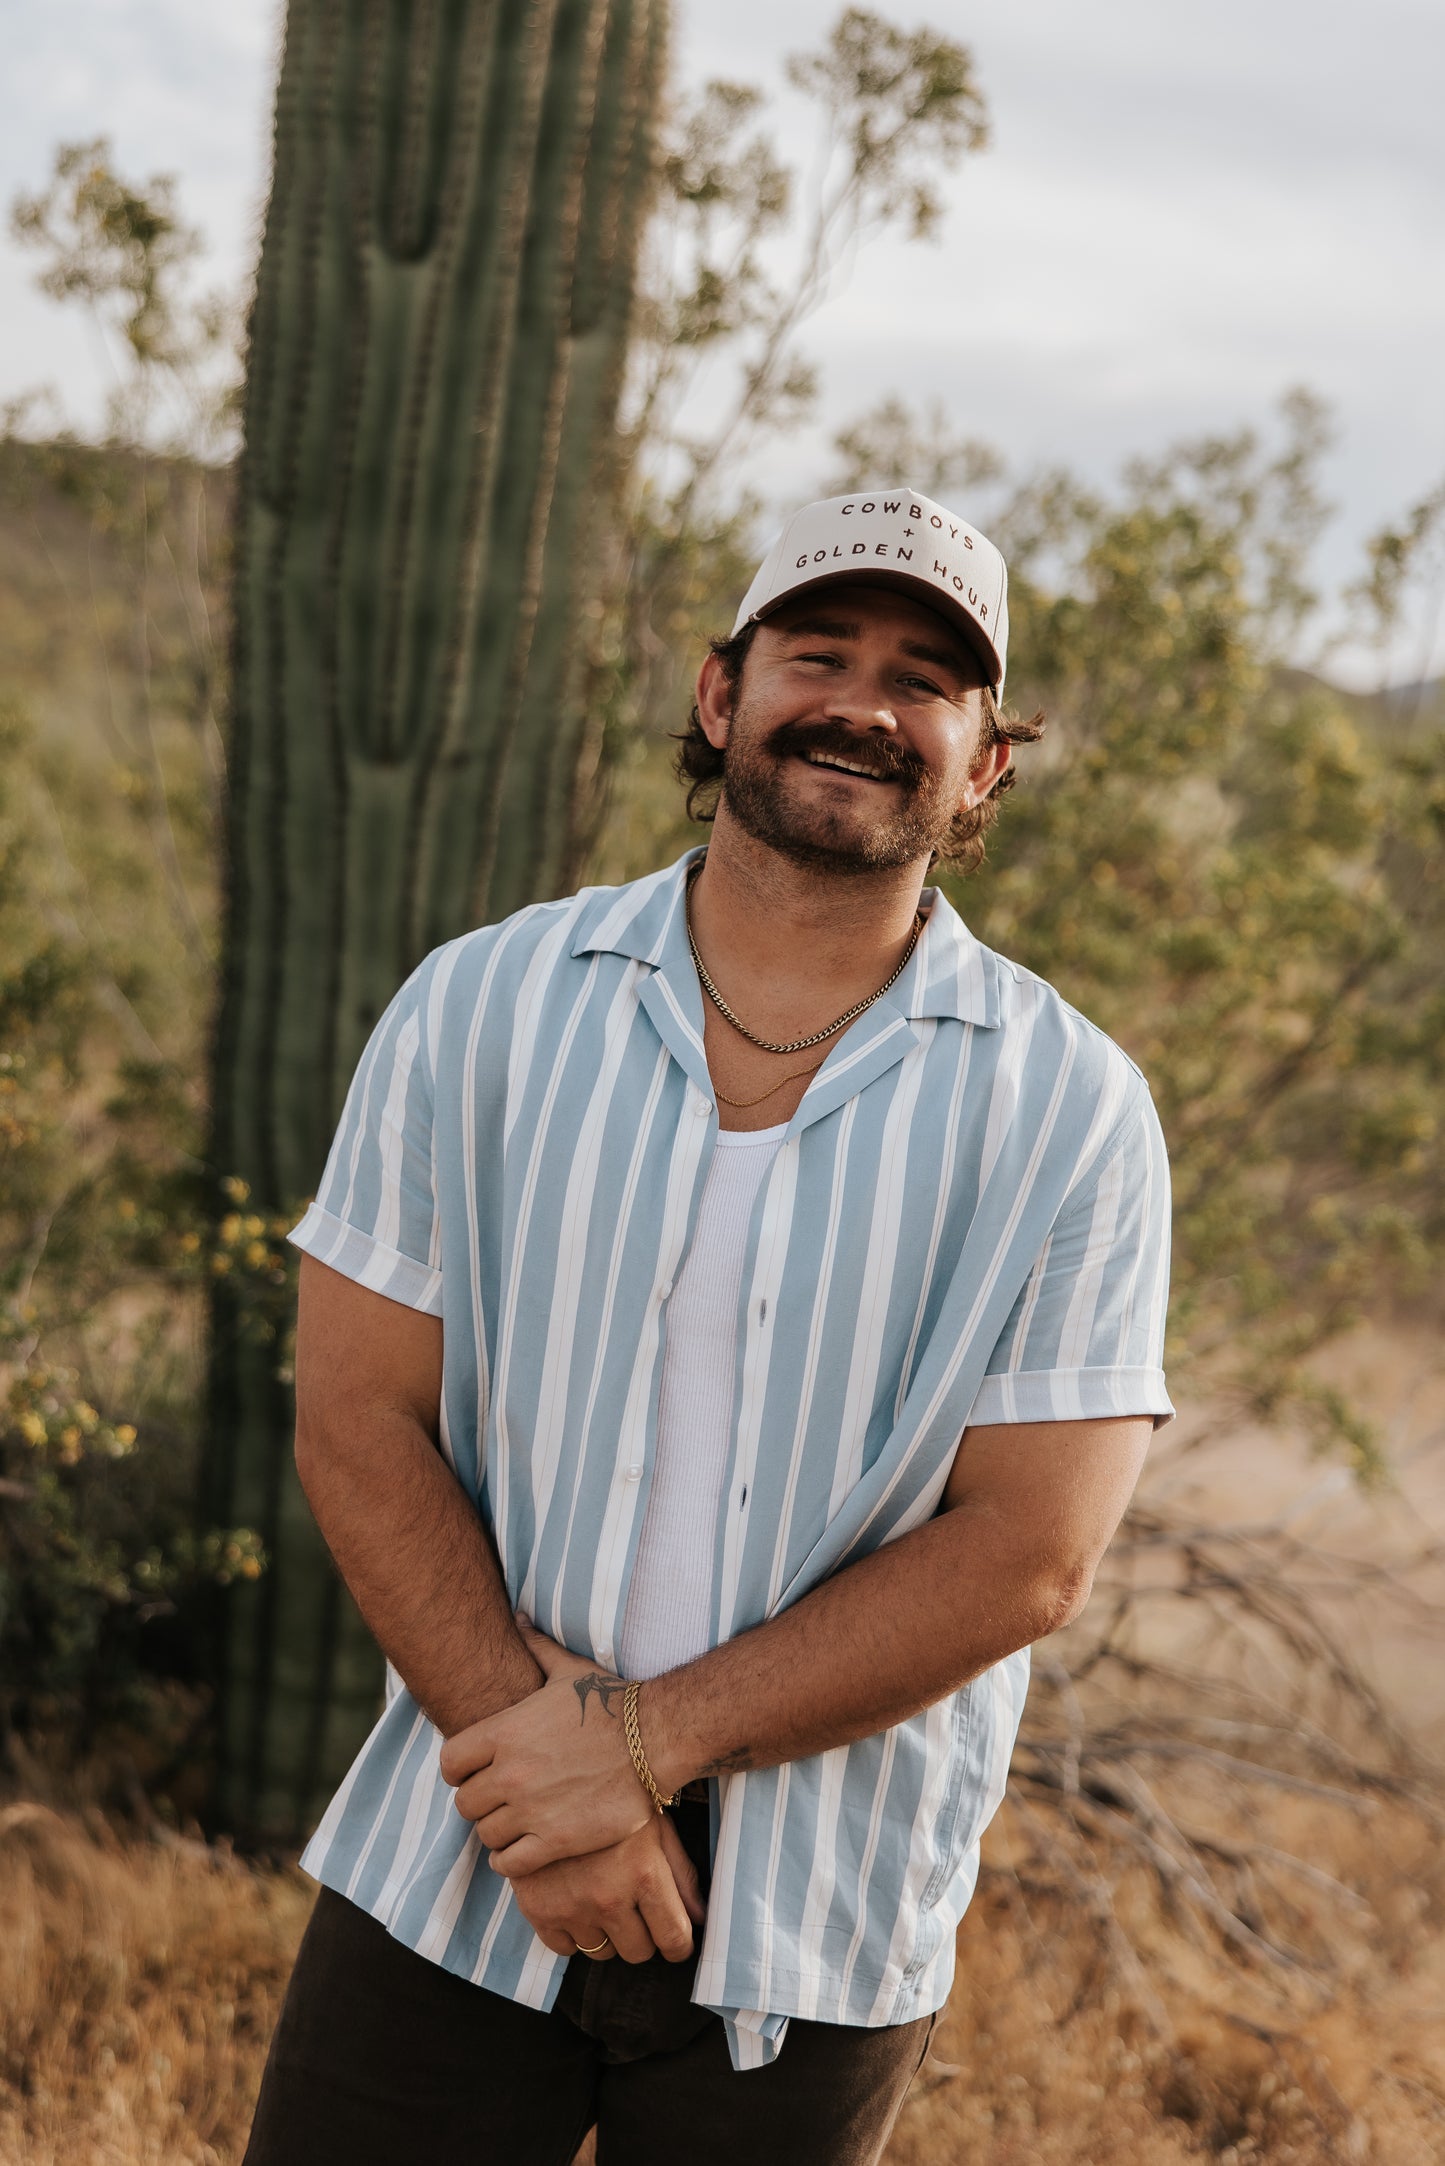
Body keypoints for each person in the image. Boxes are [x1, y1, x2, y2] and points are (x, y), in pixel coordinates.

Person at [243, 487, 1173, 2165]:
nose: (864, 706)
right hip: (458, 1861)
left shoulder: (1071, 1110)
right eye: (818, 650)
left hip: (818, 1917)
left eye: (925, 681)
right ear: (718, 692)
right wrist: (557, 1799)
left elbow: (1030, 1552)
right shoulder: (482, 1003)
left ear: (985, 764)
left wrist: (642, 1751)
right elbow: (357, 1415)